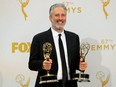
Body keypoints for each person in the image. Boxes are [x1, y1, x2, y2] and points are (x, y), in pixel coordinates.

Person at [28, 3, 87, 87]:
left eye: (63, 15)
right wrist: (42, 64)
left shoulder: (74, 37)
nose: (60, 18)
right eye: (57, 15)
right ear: (50, 18)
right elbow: (31, 64)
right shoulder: (39, 38)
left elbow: (75, 62)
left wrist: (81, 66)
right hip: (47, 85)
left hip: (70, 84)